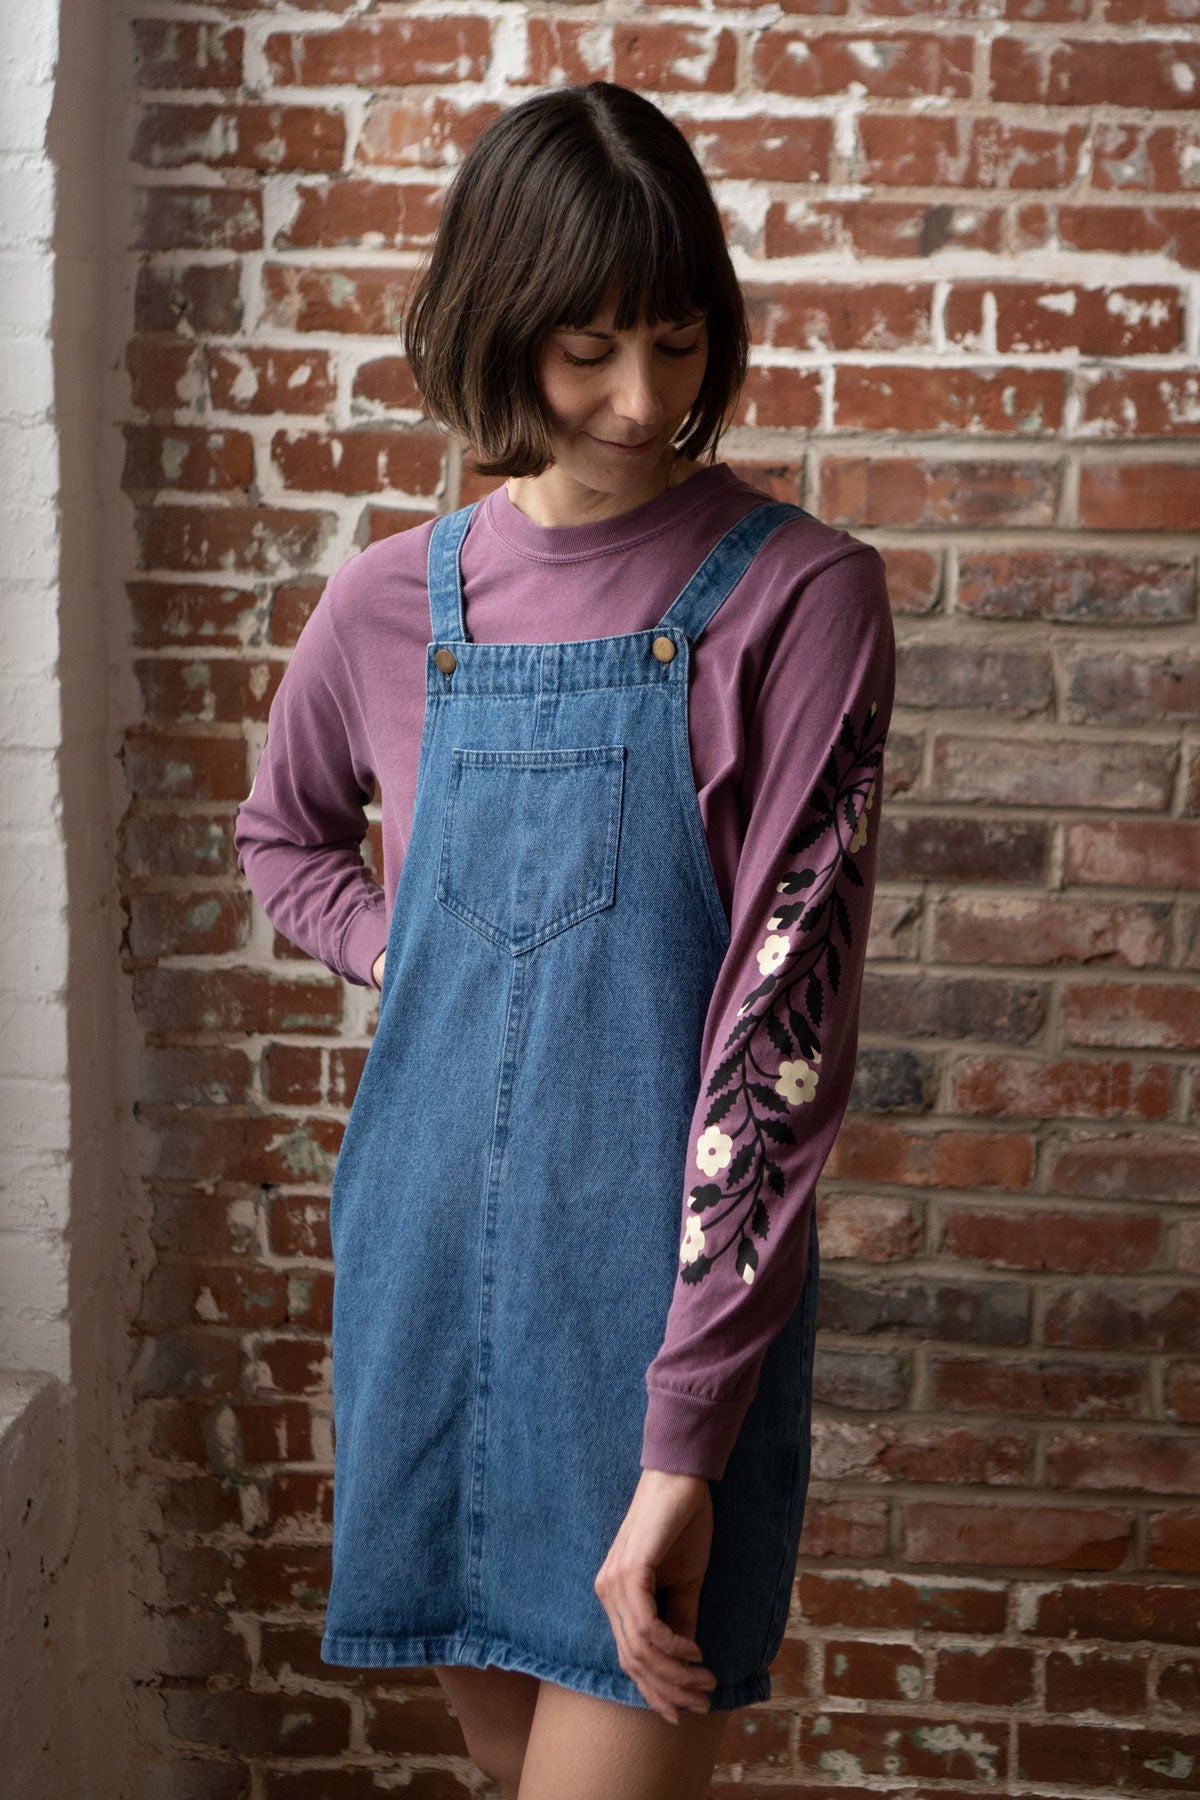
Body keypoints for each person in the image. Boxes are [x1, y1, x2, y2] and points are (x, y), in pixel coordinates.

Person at [234, 79, 895, 1800]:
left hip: (658, 1323)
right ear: (495, 324)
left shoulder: (801, 597)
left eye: (677, 342)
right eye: (588, 349)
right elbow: (281, 838)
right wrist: (412, 955)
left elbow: (779, 1049)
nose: (642, 400)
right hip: (428, 1280)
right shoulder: (389, 601)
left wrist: (684, 1450)